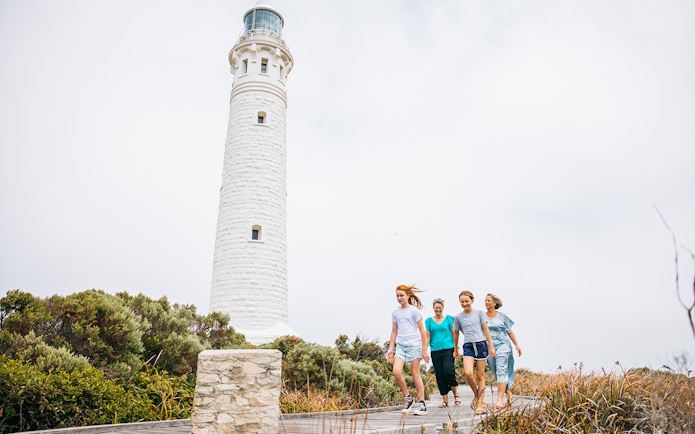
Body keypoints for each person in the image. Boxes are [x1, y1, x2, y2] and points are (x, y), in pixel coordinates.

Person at [386, 284, 431, 416]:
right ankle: (408, 398)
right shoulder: (395, 312)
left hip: (414, 345)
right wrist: (390, 349)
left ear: (408, 296)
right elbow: (394, 331)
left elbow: (422, 330)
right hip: (401, 346)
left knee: (415, 374)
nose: (399, 298)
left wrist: (424, 349)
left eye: (401, 295)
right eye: (397, 296)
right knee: (396, 372)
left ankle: (422, 404)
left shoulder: (414, 311)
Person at [453, 290, 495, 415]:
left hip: (481, 344)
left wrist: (491, 346)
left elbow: (486, 330)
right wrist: (456, 349)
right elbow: (455, 334)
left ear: (472, 300)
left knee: (480, 375)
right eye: (462, 302)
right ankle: (477, 395)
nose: (464, 304)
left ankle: (480, 405)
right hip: (468, 345)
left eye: (467, 301)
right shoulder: (458, 317)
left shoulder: (479, 313)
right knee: (468, 373)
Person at [484, 293, 522, 409]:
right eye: (485, 301)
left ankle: (500, 400)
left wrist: (517, 345)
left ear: (495, 303)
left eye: (489, 301)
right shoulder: (482, 316)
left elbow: (510, 331)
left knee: (501, 370)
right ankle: (509, 393)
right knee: (496, 372)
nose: (486, 303)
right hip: (489, 347)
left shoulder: (502, 316)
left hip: (503, 345)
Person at [425, 298, 460, 407]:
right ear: (433, 308)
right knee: (439, 375)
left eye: (440, 308)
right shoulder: (429, 321)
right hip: (435, 350)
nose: (438, 310)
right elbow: (427, 336)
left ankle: (456, 395)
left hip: (448, 349)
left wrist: (456, 349)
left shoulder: (450, 319)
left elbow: (454, 334)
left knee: (448, 371)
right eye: (436, 308)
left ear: (443, 308)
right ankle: (445, 400)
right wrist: (424, 350)